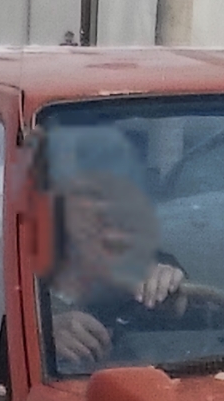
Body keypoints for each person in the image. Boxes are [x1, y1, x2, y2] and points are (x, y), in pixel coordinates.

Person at [45, 146, 188, 367]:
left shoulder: (148, 264)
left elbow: (216, 331)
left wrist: (174, 298)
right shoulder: (9, 269)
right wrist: (44, 331)